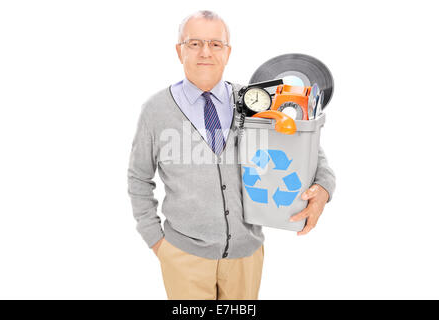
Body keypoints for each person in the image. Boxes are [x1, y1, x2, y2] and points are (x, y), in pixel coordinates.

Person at [127, 10, 336, 300]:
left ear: (228, 52)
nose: (205, 52)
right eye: (194, 43)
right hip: (183, 257)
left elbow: (309, 148)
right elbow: (139, 178)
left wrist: (324, 187)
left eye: (215, 44)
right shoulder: (156, 110)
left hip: (245, 256)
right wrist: (156, 242)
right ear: (179, 51)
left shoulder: (256, 102)